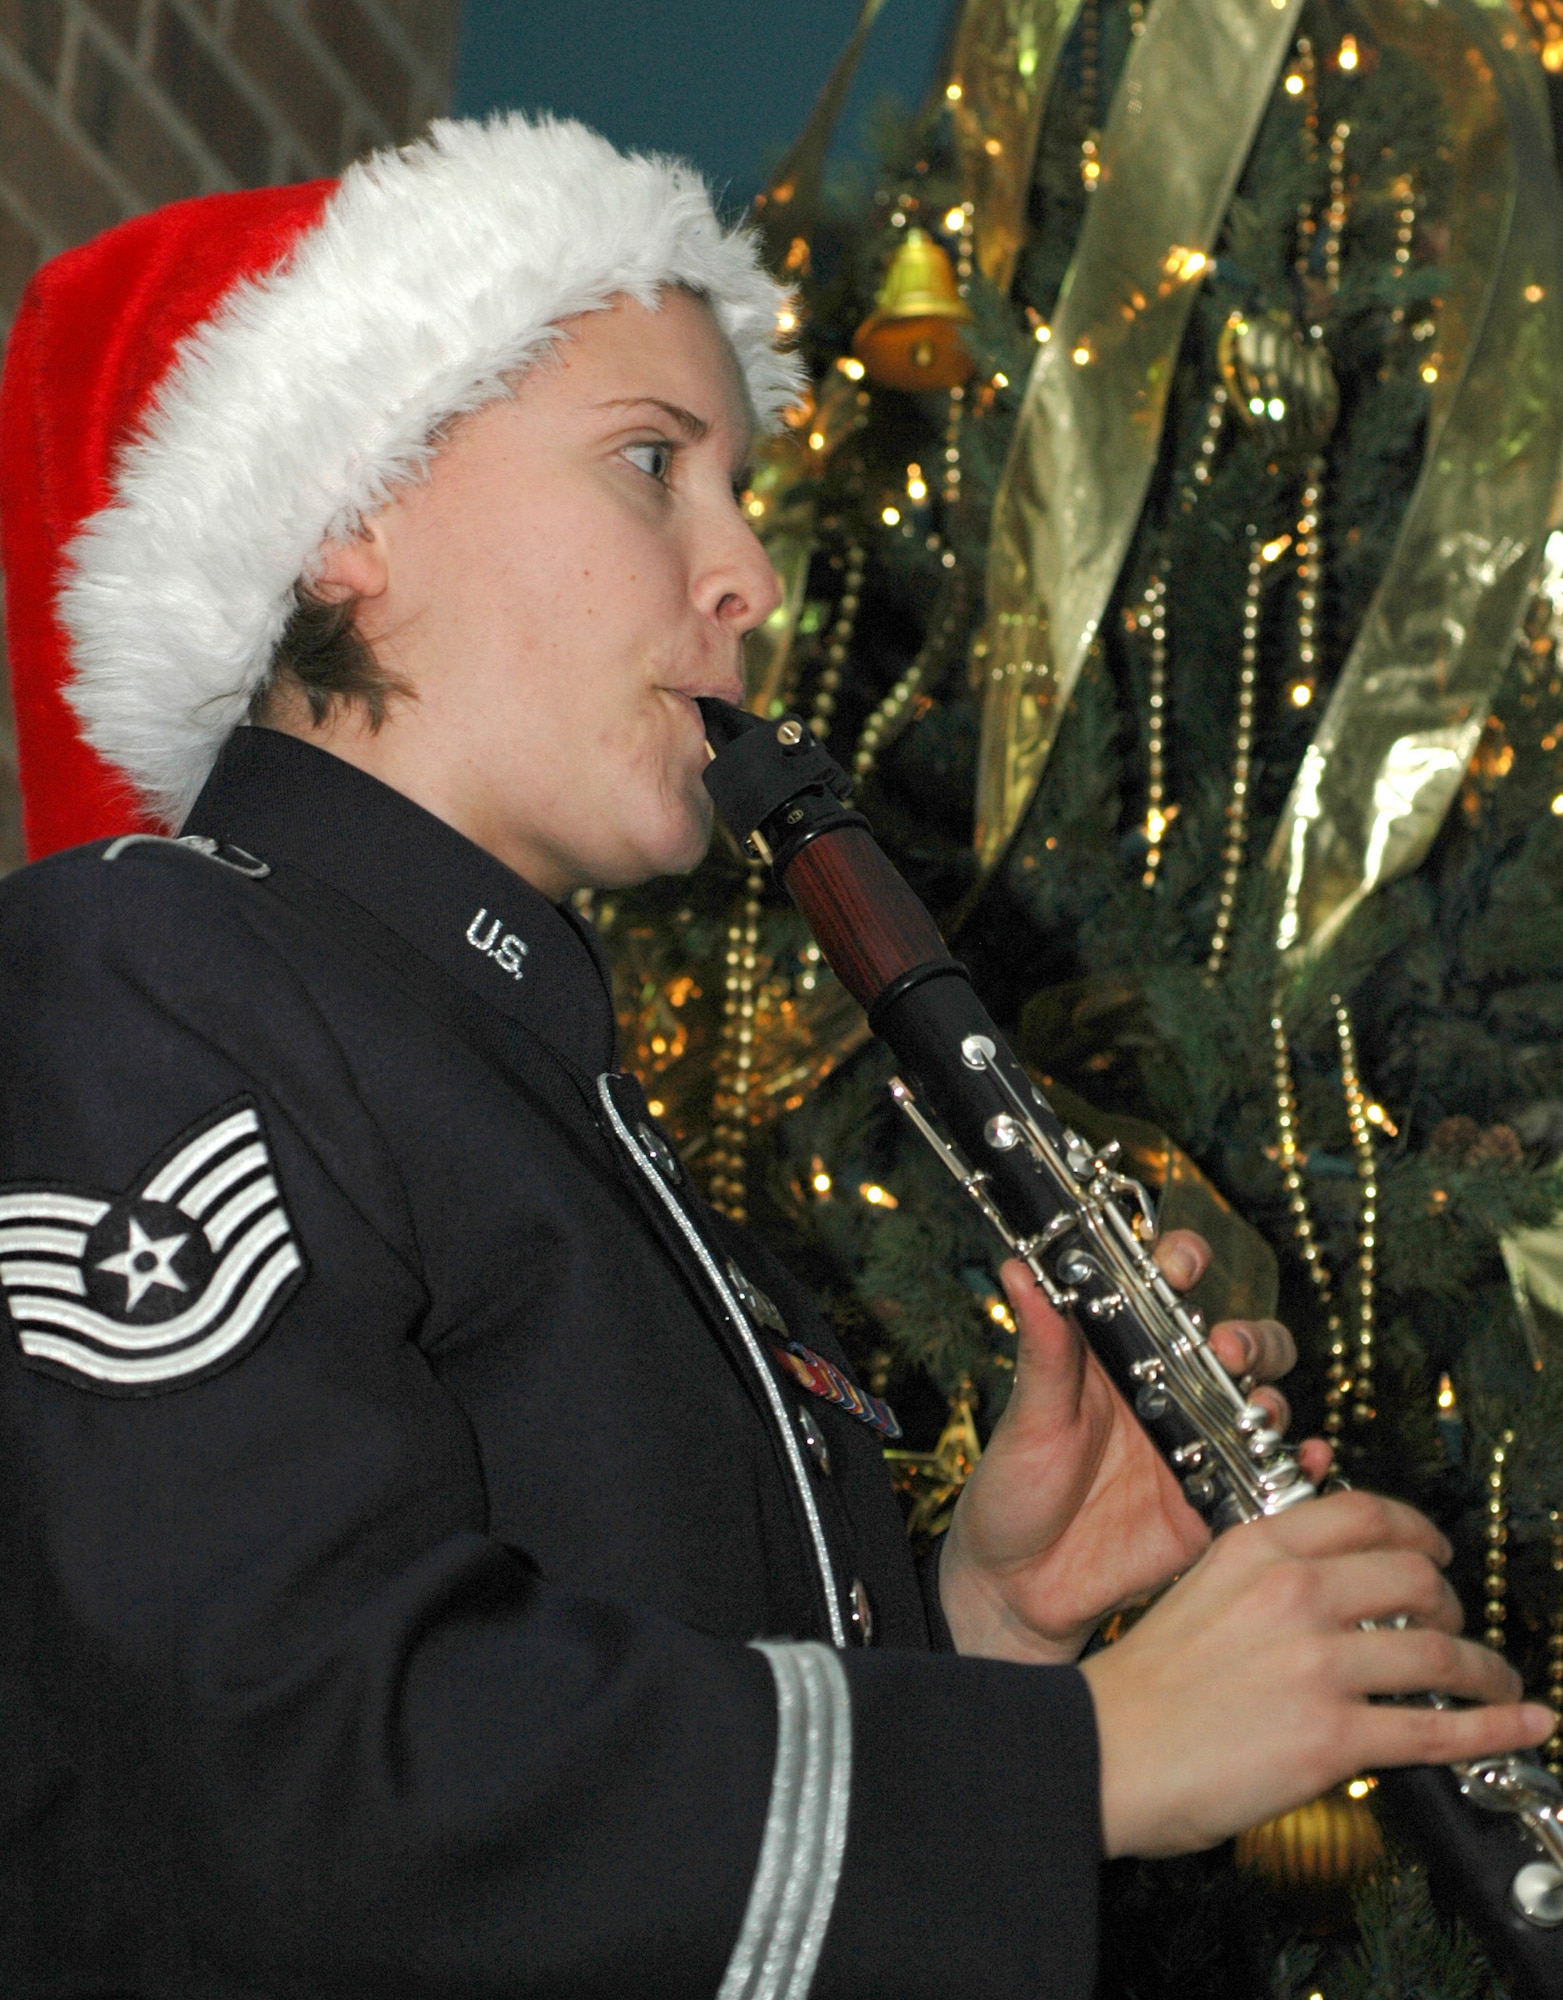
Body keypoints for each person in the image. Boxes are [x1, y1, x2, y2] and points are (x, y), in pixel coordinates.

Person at [0, 114, 1548, 1999]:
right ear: (353, 506)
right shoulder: (144, 962)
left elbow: (627, 1813)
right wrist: (1089, 1760)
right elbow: (275, 1768)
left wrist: (979, 1625)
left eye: (741, 485)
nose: (750, 572)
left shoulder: (549, 1094)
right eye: (653, 462)